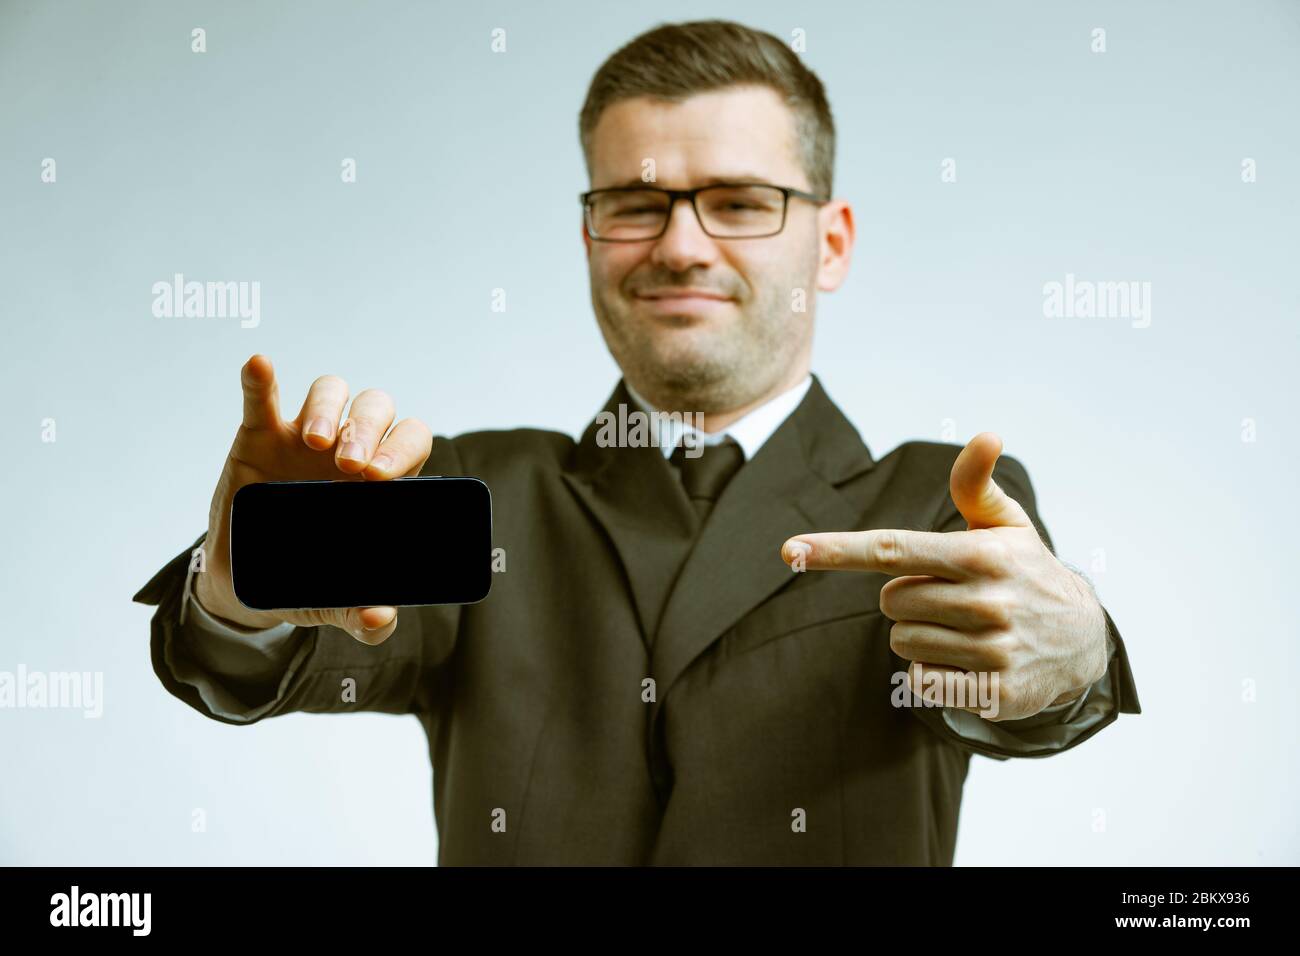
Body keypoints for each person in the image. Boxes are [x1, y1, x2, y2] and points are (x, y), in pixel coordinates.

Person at [135, 19, 1140, 865]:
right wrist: (242, 583)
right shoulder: (474, 487)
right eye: (635, 204)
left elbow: (1016, 681)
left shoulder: (938, 501)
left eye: (740, 201)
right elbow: (276, 658)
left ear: (827, 243)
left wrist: (1076, 657)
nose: (681, 243)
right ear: (590, 235)